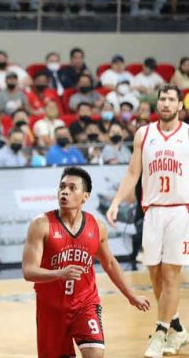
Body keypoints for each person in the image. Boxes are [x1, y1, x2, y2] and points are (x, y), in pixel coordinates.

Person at [22, 166, 150, 358]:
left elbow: (110, 264)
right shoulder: (41, 224)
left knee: (95, 354)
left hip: (85, 304)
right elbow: (28, 271)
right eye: (62, 186)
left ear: (85, 196)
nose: (64, 191)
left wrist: (131, 296)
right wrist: (59, 273)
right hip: (51, 310)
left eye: (72, 188)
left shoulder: (97, 227)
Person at [106, 83, 189, 356]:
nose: (165, 103)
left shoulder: (188, 135)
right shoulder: (144, 134)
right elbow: (133, 173)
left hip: (180, 210)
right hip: (152, 211)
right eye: (162, 99)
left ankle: (160, 332)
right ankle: (177, 328)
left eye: (170, 100)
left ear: (180, 106)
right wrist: (117, 202)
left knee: (170, 276)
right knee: (154, 276)